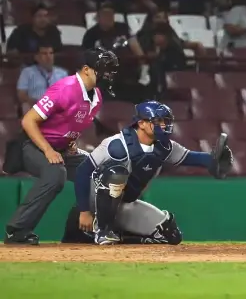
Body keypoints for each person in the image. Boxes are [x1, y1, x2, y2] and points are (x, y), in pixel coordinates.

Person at [63, 101, 233, 245]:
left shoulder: (164, 147)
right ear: (141, 123)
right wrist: (84, 211)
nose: (163, 125)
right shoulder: (116, 145)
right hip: (95, 203)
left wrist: (213, 161)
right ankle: (103, 231)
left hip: (124, 204)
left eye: (165, 121)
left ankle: (118, 235)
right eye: (157, 121)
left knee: (170, 235)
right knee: (117, 173)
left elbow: (190, 157)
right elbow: (83, 171)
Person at [3, 48, 119, 245]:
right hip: (33, 145)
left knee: (100, 171)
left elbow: (71, 122)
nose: (107, 74)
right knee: (56, 174)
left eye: (109, 70)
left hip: (62, 149)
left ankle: (81, 231)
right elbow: (28, 121)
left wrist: (68, 141)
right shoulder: (65, 88)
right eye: (103, 69)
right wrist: (48, 150)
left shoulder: (97, 97)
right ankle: (17, 231)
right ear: (86, 69)